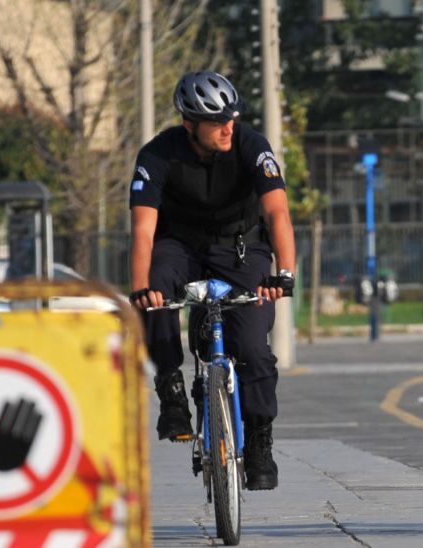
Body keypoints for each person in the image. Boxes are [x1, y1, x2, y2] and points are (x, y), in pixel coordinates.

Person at [128, 70, 296, 491]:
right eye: (217, 122)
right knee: (157, 286)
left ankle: (259, 440)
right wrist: (140, 289)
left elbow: (277, 212)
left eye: (232, 119)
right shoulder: (157, 154)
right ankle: (170, 390)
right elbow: (144, 230)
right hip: (180, 246)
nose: (228, 128)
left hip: (241, 249)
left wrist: (285, 273)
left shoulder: (251, 145)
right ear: (189, 125)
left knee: (254, 348)